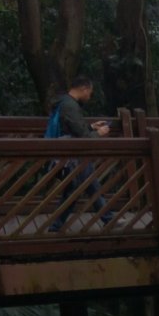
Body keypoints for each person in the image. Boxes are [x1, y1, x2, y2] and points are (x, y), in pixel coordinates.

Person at [47, 76, 112, 230]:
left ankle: (108, 218)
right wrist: (99, 133)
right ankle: (56, 226)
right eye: (90, 92)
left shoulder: (64, 102)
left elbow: (73, 129)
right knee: (75, 189)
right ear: (84, 89)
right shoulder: (70, 106)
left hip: (73, 153)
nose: (90, 96)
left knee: (85, 186)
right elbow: (83, 137)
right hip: (73, 154)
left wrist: (91, 127)